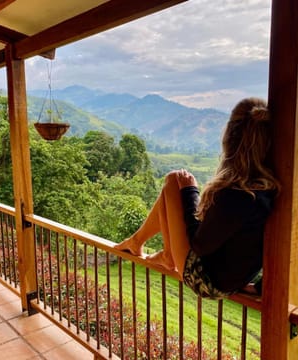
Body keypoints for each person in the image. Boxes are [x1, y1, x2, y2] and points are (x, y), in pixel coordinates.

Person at [115, 97, 280, 299]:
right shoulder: (267, 191)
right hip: (227, 282)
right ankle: (140, 243)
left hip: (204, 279)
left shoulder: (238, 195)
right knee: (175, 182)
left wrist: (189, 192)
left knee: (174, 178)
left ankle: (155, 250)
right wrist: (260, 287)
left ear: (230, 139)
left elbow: (198, 244)